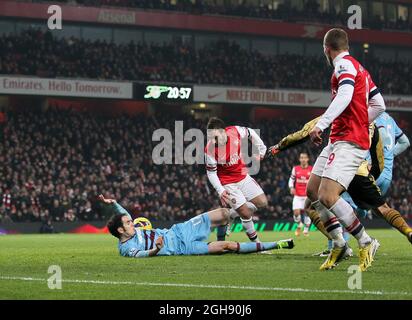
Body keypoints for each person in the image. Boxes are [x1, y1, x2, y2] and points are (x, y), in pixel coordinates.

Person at [283, 28, 385, 271]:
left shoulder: (342, 66)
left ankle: (366, 241)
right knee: (313, 192)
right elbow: (379, 105)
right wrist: (361, 122)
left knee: (328, 196)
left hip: (349, 141)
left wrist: (322, 123)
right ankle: (339, 243)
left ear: (326, 49)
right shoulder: (361, 68)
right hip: (340, 139)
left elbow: (346, 94)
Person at [266, 117, 412, 250]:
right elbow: (379, 158)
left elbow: (304, 132)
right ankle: (408, 231)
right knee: (381, 208)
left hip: (338, 169)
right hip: (362, 170)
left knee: (316, 204)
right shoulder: (371, 123)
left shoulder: (337, 112)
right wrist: (371, 177)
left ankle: (342, 244)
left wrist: (278, 147)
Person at [101, 195, 294, 258]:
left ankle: (225, 229)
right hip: (183, 248)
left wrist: (113, 203)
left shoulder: (128, 226)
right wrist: (155, 249)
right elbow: (141, 256)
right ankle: (278, 244)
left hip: (180, 230)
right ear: (120, 230)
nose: (131, 222)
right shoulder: (126, 248)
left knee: (224, 213)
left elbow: (123, 214)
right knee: (228, 247)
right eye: (127, 223)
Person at [205, 117, 268, 243]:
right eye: (210, 137)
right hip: (228, 183)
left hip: (243, 176)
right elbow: (211, 173)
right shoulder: (210, 149)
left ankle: (232, 214)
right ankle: (258, 245)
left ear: (223, 132)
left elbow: (251, 133)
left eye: (215, 137)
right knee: (245, 213)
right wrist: (220, 191)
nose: (213, 140)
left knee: (262, 203)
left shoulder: (235, 131)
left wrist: (261, 149)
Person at [288, 152, 313, 236]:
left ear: (307, 159)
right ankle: (299, 225)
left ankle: (306, 230)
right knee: (296, 213)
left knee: (307, 213)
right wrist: (291, 187)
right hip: (297, 195)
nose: (303, 159)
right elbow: (291, 179)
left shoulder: (311, 169)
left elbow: (314, 181)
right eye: (301, 158)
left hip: (307, 196)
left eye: (304, 158)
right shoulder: (296, 169)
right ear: (299, 159)